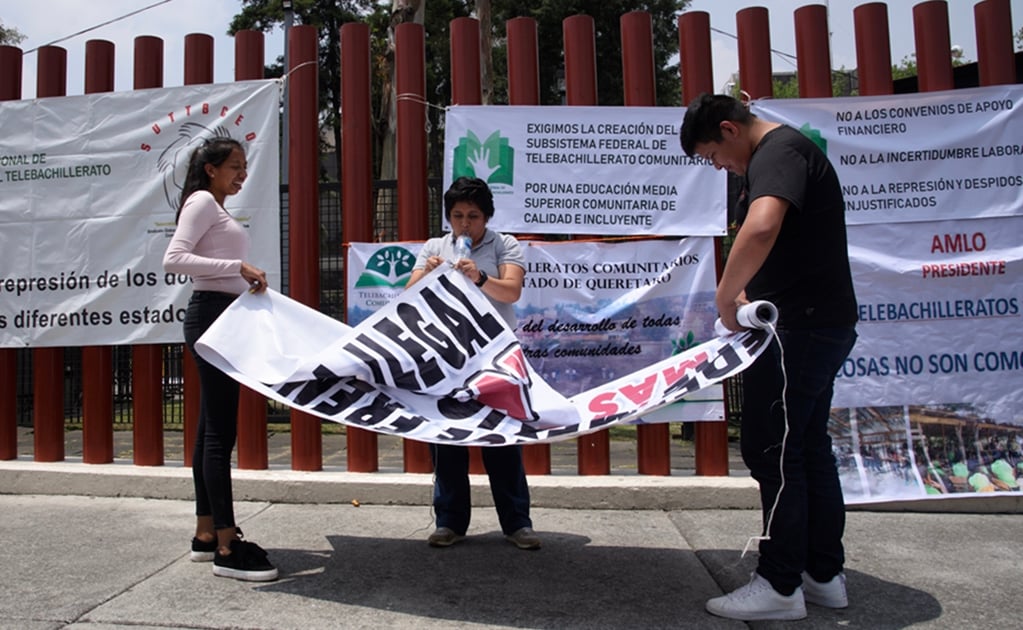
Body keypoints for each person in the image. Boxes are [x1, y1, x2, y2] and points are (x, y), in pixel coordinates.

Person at [680, 94, 858, 621]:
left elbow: (761, 226)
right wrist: (746, 292)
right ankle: (822, 575)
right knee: (805, 447)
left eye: (713, 155)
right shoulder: (789, 150)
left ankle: (780, 583)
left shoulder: (776, 152)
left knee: (772, 450)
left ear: (731, 131)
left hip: (797, 331)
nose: (718, 167)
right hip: (818, 325)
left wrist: (724, 294)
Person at [163, 137, 278, 582]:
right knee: (219, 433)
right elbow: (174, 259)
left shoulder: (216, 206)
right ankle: (229, 546)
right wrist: (238, 268)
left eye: (245, 166)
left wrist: (237, 276)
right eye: (234, 165)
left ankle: (206, 534)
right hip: (210, 315)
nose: (242, 173)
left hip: (222, 315)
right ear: (210, 168)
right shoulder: (202, 202)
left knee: (210, 428)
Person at [406, 176, 541, 551]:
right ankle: (449, 521)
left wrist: (479, 276)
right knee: (447, 437)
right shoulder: (436, 246)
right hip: (449, 354)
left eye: (473, 216)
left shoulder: (504, 244)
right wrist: (429, 274)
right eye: (457, 216)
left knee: (502, 437)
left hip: (494, 353)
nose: (465, 224)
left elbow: (511, 290)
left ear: (487, 217)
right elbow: (409, 296)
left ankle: (517, 523)